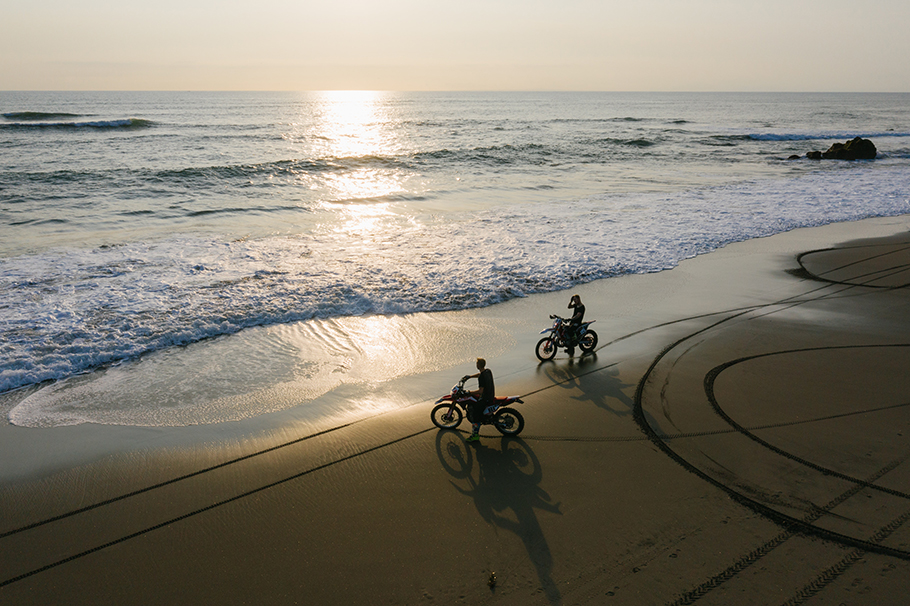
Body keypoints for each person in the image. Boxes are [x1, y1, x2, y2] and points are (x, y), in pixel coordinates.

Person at [464, 358, 495, 442]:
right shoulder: (488, 371)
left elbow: (480, 391)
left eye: (476, 363)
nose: (476, 365)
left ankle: (475, 435)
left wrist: (469, 392)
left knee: (475, 415)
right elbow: (480, 374)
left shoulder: (482, 377)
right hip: (491, 395)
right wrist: (470, 377)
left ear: (478, 365)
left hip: (485, 398)